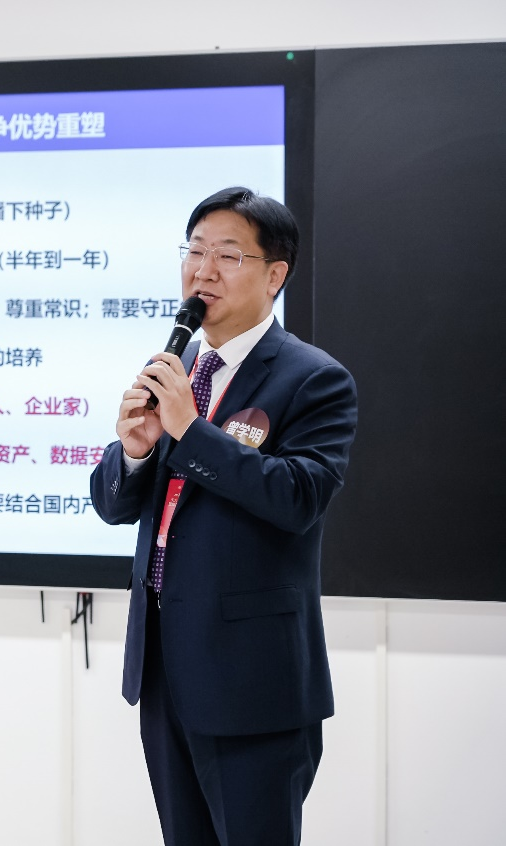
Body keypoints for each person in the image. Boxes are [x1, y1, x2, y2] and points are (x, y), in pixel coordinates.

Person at [90, 187, 357, 845]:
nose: (203, 271)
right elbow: (112, 504)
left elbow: (298, 497)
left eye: (228, 255)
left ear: (275, 275)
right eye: (195, 252)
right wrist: (134, 452)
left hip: (252, 684)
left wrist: (191, 430)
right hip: (165, 670)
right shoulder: (177, 369)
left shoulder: (313, 379)